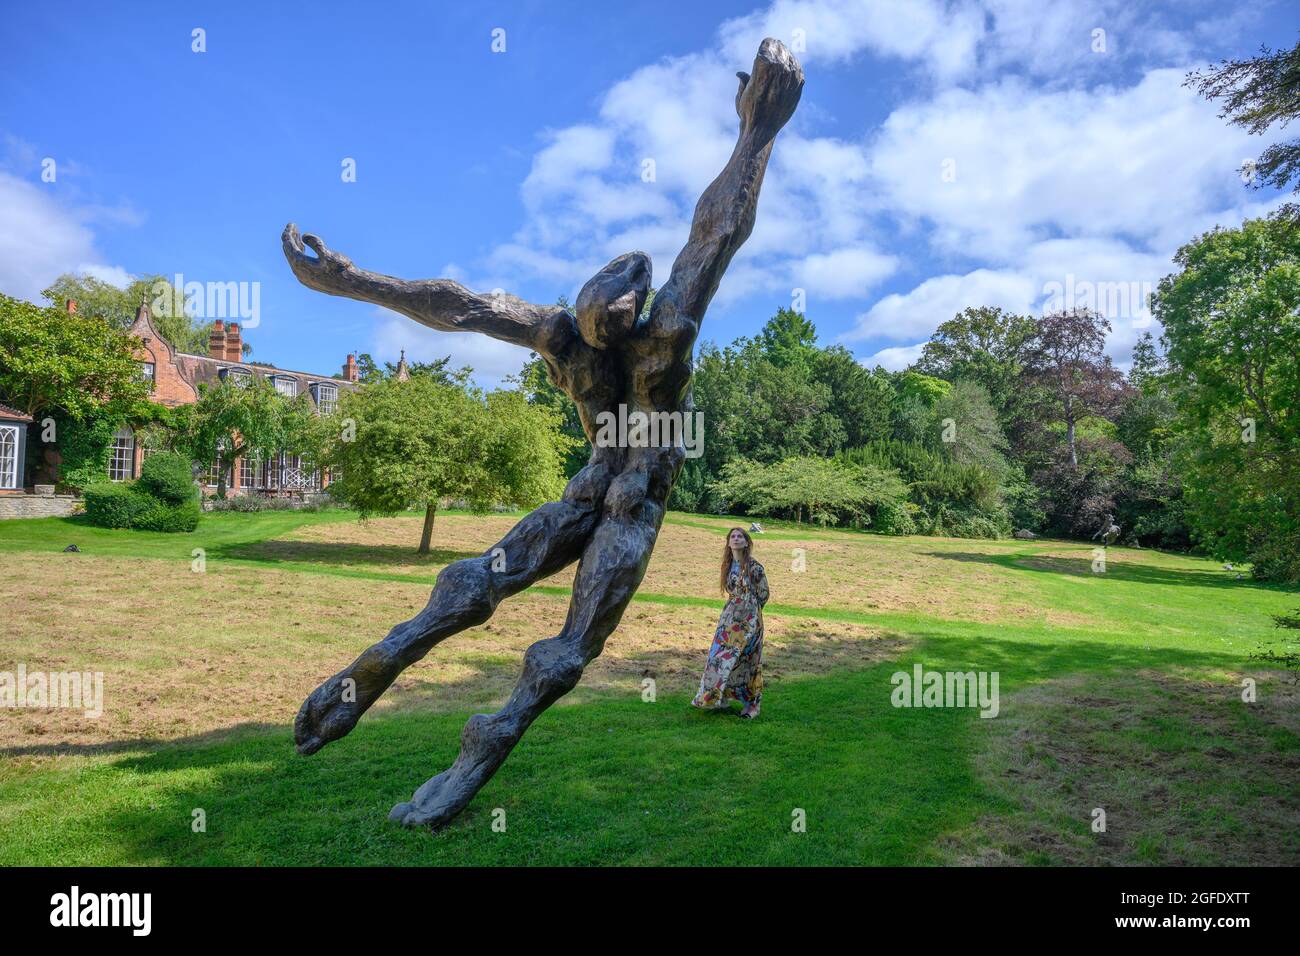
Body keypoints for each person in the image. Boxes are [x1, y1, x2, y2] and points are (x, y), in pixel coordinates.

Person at [691, 527, 770, 718]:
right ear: (728, 542)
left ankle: (752, 706)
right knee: (717, 657)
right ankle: (716, 698)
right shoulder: (727, 566)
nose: (736, 539)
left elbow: (764, 594)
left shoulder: (754, 567)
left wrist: (749, 611)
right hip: (728, 618)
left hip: (749, 620)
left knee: (748, 661)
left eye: (740, 536)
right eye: (732, 536)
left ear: (746, 542)